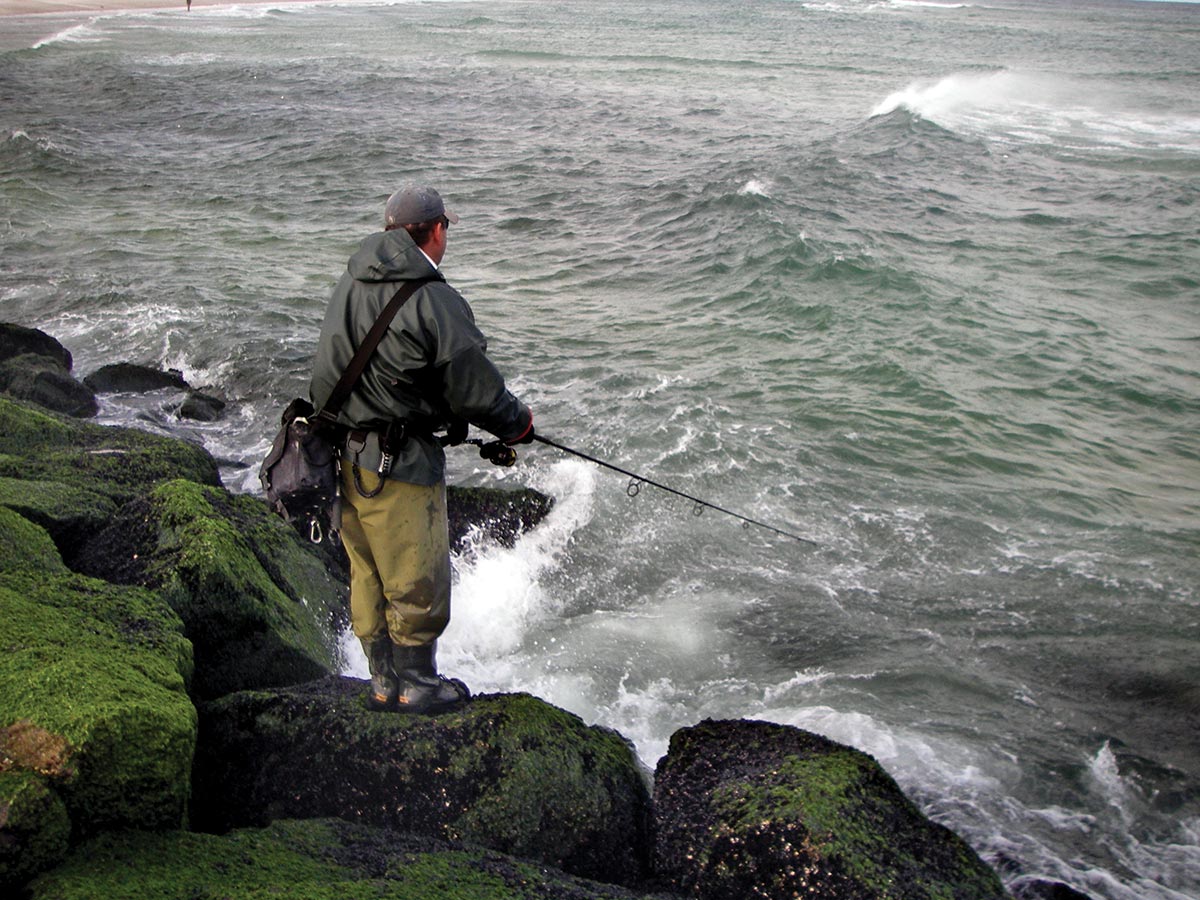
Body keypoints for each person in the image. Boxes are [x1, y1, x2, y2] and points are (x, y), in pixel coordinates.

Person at [309, 184, 533, 713]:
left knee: (367, 570)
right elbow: (476, 389)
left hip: (342, 456)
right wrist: (518, 425)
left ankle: (382, 681)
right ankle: (417, 684)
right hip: (397, 464)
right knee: (415, 573)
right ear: (435, 231)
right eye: (446, 228)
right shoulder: (433, 298)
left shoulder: (350, 280)